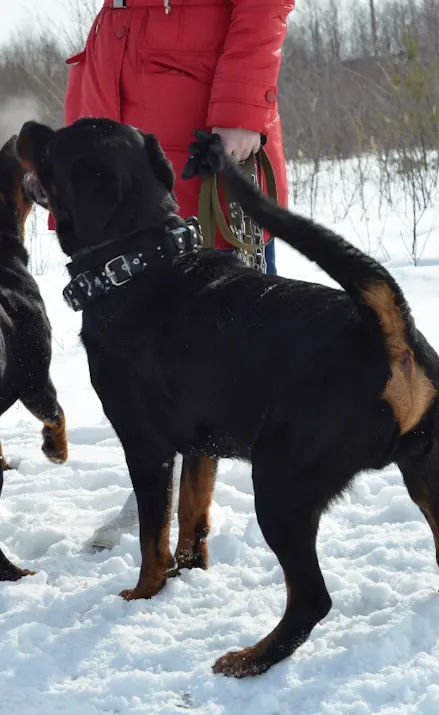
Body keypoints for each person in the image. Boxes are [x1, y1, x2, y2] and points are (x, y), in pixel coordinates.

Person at [52, 0, 296, 549]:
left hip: (200, 135)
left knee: (236, 341)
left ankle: (249, 489)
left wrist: (240, 107)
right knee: (143, 352)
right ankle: (157, 493)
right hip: (127, 128)